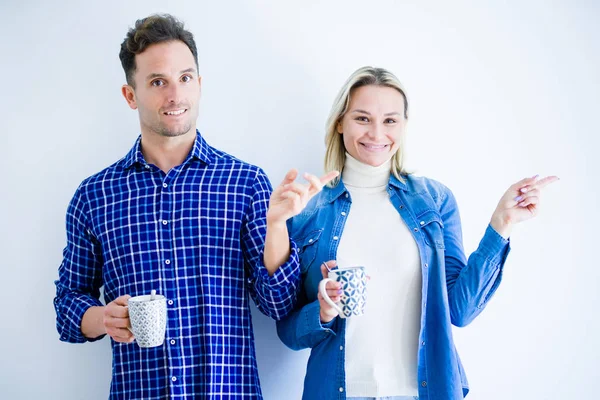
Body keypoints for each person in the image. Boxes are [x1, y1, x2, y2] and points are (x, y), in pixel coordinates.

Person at [53, 14, 336, 399]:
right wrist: (103, 318)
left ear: (199, 85)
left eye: (185, 78)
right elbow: (67, 305)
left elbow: (278, 303)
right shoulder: (95, 196)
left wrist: (277, 226)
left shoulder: (245, 183)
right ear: (130, 95)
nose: (175, 95)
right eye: (157, 82)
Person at [276, 66, 558, 400]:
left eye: (390, 120)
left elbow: (460, 310)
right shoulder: (307, 209)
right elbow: (288, 332)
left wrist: (502, 224)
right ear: (340, 122)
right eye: (362, 118)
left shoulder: (434, 200)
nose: (377, 133)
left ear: (404, 126)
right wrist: (322, 312)